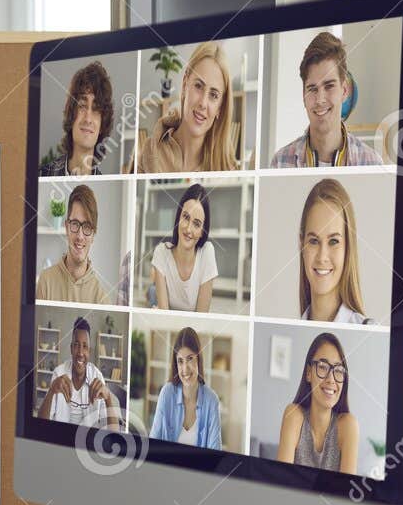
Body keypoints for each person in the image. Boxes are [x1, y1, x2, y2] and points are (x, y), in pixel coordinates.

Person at [268, 31, 383, 168]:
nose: (320, 100)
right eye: (312, 89)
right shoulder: (280, 163)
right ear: (303, 95)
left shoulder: (372, 163)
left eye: (329, 86)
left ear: (345, 91)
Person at [136, 41, 240, 173]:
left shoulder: (229, 170)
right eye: (198, 86)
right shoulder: (147, 153)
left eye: (213, 95)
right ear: (185, 85)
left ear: (220, 107)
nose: (203, 103)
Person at [277, 332, 360, 474]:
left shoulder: (348, 426)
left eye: (338, 370)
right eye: (322, 367)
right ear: (309, 373)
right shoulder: (293, 415)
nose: (331, 379)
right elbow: (281, 482)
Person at [297, 177, 372, 324]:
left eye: (333, 241)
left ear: (348, 247)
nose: (322, 256)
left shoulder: (370, 328)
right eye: (313, 241)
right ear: (301, 244)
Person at [37, 317, 121, 429]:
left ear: (89, 352)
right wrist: (52, 391)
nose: (80, 353)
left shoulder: (97, 377)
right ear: (71, 349)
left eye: (85, 346)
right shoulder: (59, 373)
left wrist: (108, 398)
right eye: (76, 345)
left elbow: (114, 433)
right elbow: (40, 425)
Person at [35, 183, 114, 304]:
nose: (80, 236)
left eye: (87, 227)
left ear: (93, 234)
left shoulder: (102, 298)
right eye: (75, 224)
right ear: (67, 227)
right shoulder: (45, 281)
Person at [148, 327, 223, 448]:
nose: (185, 369)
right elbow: (153, 441)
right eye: (180, 361)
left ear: (198, 359)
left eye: (190, 359)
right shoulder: (166, 393)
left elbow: (215, 453)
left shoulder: (211, 400)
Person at [150, 183, 218, 313]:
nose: (188, 229)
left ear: (203, 231)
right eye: (186, 217)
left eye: (196, 224)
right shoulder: (161, 251)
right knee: (153, 294)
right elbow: (165, 314)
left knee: (152, 293)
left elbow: (202, 316)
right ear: (178, 217)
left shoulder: (207, 252)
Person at [39, 61, 116, 176]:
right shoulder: (41, 176)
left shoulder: (105, 183)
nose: (88, 118)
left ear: (102, 125)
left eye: (96, 109)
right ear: (71, 115)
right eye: (82, 106)